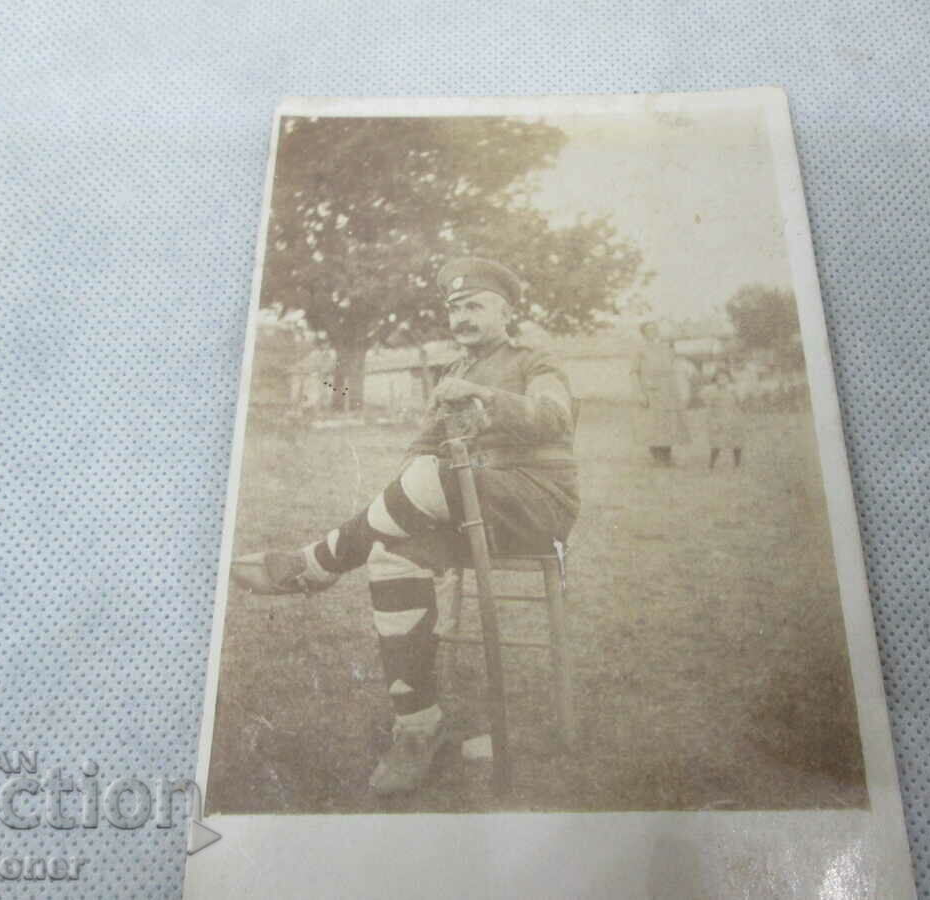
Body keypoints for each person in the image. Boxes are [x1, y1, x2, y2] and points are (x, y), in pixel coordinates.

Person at [230, 257, 580, 796]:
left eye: (475, 306)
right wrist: (410, 484)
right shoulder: (451, 374)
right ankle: (419, 726)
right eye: (454, 309)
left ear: (506, 311)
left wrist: (488, 400)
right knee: (392, 551)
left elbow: (557, 417)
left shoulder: (535, 358)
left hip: (533, 502)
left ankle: (315, 564)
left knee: (427, 476)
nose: (461, 317)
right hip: (466, 507)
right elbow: (421, 450)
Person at [630, 321, 691, 464]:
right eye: (649, 329)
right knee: (652, 423)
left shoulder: (666, 348)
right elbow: (634, 372)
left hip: (668, 390)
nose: (653, 331)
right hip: (650, 390)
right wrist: (640, 393)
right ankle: (657, 457)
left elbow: (675, 367)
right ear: (643, 333)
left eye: (655, 329)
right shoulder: (639, 349)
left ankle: (667, 456)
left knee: (668, 423)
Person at [703, 368, 744, 469]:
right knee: (716, 442)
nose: (722, 380)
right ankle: (711, 464)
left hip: (733, 418)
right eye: (719, 378)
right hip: (718, 419)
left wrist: (737, 396)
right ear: (715, 379)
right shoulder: (711, 391)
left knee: (736, 441)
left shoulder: (734, 390)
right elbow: (709, 408)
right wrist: (712, 422)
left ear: (729, 379)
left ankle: (737, 464)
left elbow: (740, 403)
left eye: (724, 378)